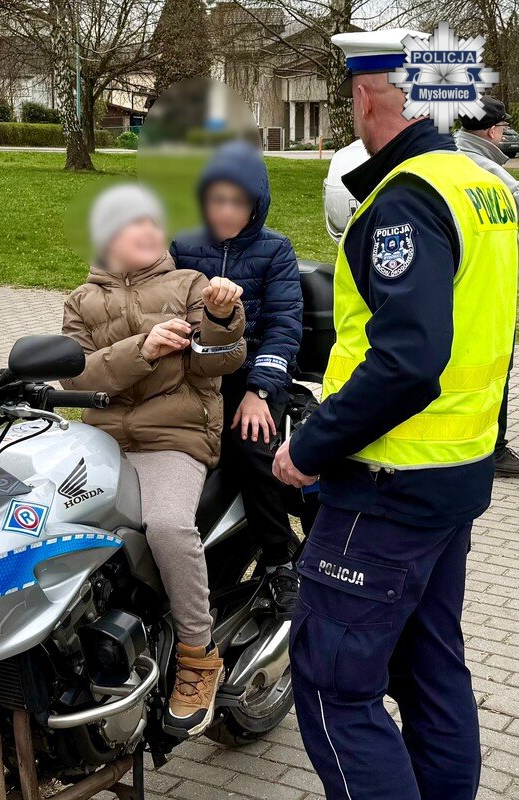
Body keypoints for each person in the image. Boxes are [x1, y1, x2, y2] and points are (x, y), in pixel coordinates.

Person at [273, 30, 518, 800]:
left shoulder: (406, 197)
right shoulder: (483, 185)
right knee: (429, 668)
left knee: (331, 685)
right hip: (457, 474)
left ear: (365, 94)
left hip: (387, 486)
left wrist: (310, 446)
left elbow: (409, 359)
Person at [62, 184, 246, 739]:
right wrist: (141, 350)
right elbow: (75, 377)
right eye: (131, 223)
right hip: (102, 441)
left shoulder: (191, 285)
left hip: (174, 438)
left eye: (152, 221)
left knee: (166, 526)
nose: (147, 231)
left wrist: (221, 317)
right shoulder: (80, 302)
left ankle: (197, 654)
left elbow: (220, 362)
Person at [171, 140, 304, 618]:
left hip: (250, 376)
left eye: (238, 201)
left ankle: (278, 559)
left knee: (251, 448)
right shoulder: (182, 245)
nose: (226, 211)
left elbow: (285, 327)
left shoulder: (276, 250)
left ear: (256, 205)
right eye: (217, 199)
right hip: (194, 375)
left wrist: (259, 392)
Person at [454, 96, 519, 477]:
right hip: (486, 284)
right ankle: (492, 449)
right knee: (495, 366)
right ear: (493, 131)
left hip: (467, 279)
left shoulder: (455, 155)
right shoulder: (484, 166)